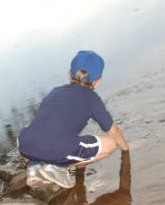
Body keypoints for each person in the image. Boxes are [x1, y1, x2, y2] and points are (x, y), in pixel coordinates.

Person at [18, 50, 129, 188]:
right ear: (98, 81)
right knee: (111, 143)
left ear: (69, 74)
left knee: (38, 134)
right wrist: (126, 150)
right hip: (57, 149)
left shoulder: (55, 91)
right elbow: (113, 131)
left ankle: (33, 166)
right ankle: (58, 167)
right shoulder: (92, 99)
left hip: (24, 144)